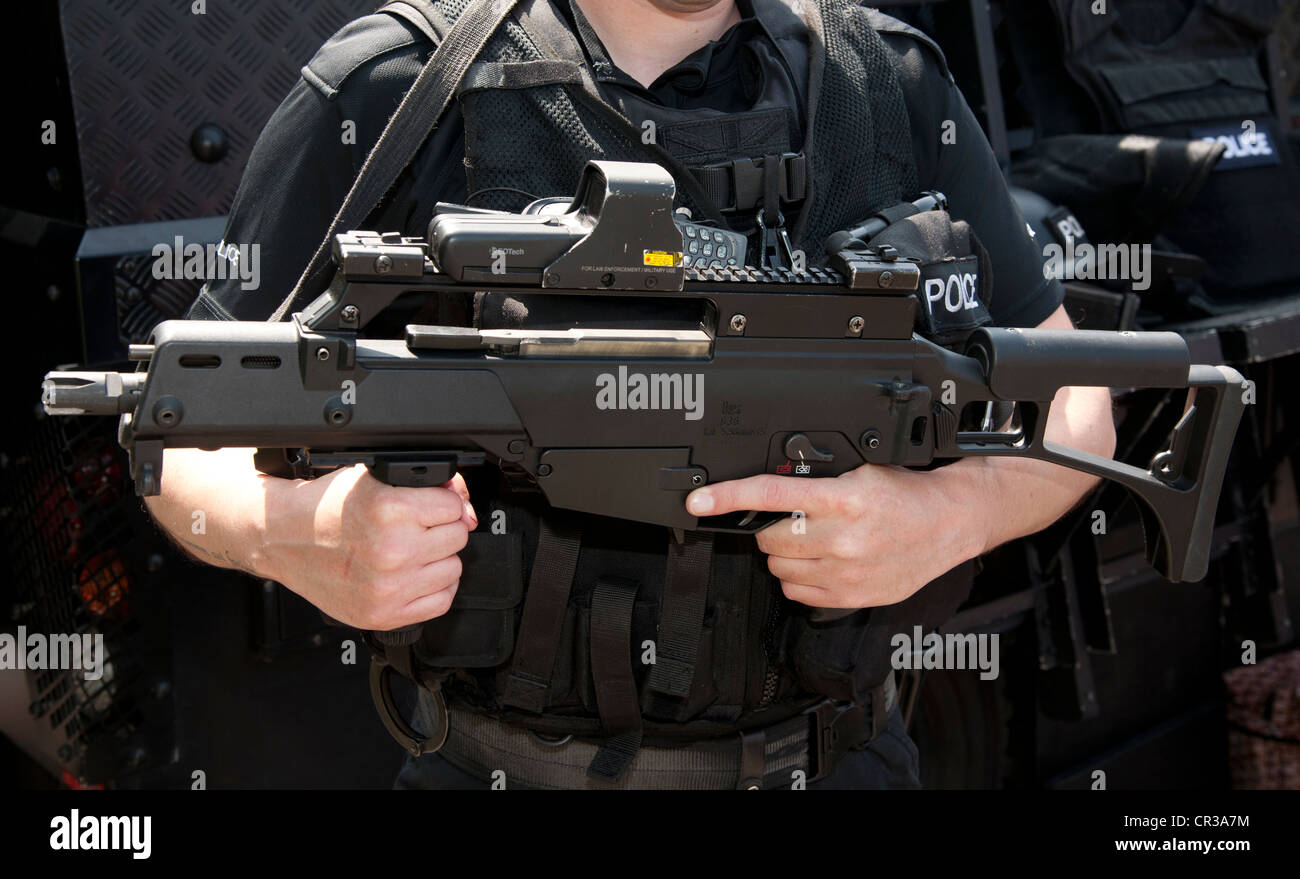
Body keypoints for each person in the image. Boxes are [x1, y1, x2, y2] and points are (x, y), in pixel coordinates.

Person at [147, 0, 1116, 789]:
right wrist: (299, 533)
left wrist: (946, 517)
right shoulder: (399, 85)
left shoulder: (888, 81)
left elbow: (1080, 400)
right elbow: (180, 423)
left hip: (841, 761)